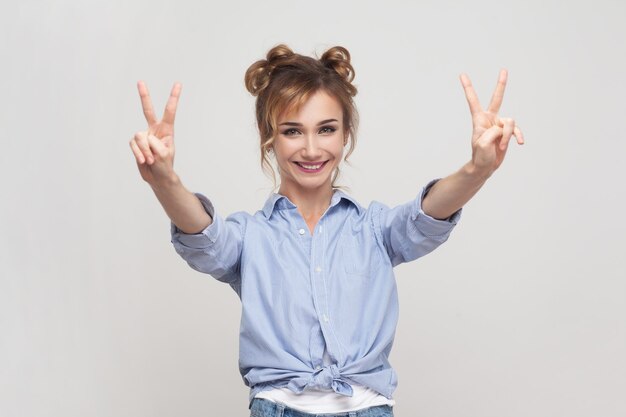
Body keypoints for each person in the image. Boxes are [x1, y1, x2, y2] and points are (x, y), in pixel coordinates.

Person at [129, 44, 523, 417]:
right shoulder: (251, 236)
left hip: (368, 407)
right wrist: (164, 180)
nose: (312, 149)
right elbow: (204, 237)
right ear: (269, 139)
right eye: (292, 131)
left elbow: (428, 214)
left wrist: (478, 169)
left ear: (346, 134)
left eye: (327, 129)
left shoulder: (374, 230)